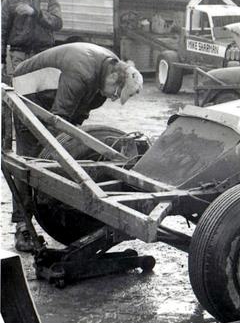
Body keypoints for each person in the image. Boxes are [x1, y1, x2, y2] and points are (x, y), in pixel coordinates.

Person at [9, 42, 144, 251]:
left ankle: (56, 209)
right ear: (114, 78)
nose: (114, 98)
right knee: (29, 162)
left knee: (64, 152)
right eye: (117, 92)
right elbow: (58, 121)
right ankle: (22, 228)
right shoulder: (81, 73)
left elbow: (76, 120)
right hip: (28, 92)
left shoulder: (106, 74)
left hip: (57, 98)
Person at [1, 0, 62, 75]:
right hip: (19, 54)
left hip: (43, 53)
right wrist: (1, 59)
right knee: (21, 90)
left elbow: (58, 23)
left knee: (44, 90)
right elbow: (2, 31)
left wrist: (35, 13)